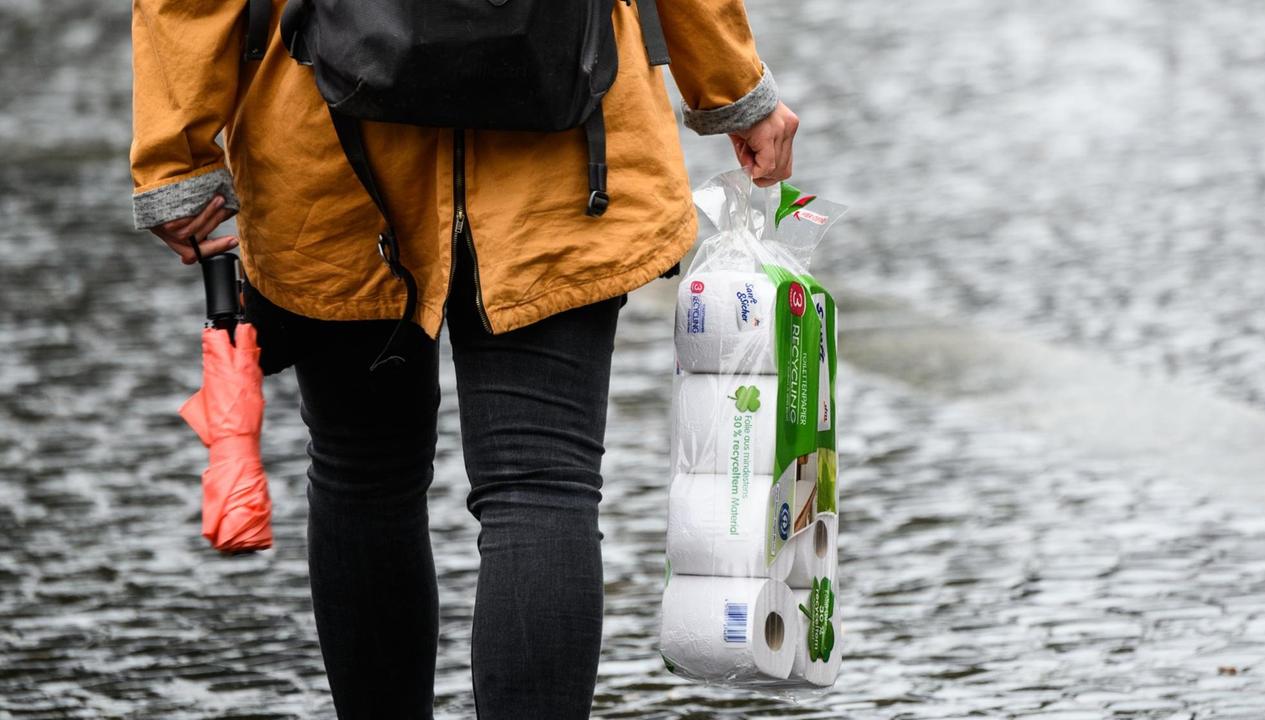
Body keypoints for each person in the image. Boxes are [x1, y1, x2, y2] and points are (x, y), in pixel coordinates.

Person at [131, 1, 798, 717]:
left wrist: (177, 154)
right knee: (542, 481)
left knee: (364, 470)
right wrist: (733, 88)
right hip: (567, 135)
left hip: (332, 135)